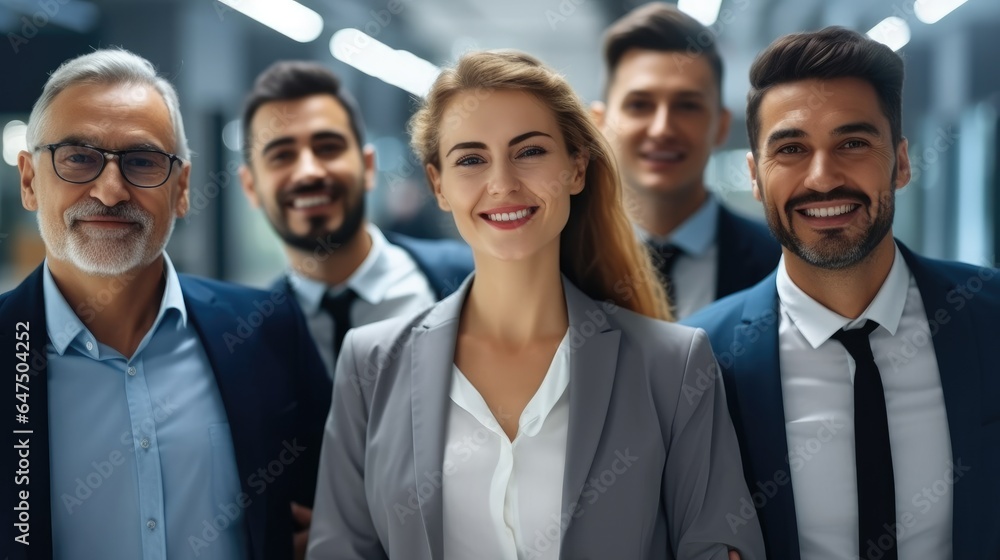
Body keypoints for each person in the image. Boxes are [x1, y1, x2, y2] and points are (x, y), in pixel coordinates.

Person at [306, 50, 765, 560]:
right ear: (439, 185)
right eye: (471, 159)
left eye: (529, 152)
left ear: (576, 168)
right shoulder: (370, 364)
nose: (502, 183)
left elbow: (716, 546)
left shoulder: (673, 367)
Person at [684, 27, 1000, 560]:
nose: (823, 178)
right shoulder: (700, 362)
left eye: (853, 143)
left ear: (900, 162)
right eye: (791, 149)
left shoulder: (991, 318)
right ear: (756, 177)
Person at [2, 49, 331, 560]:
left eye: (142, 161)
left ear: (182, 189)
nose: (110, 191)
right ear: (29, 180)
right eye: (78, 157)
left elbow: (335, 504)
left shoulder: (266, 329)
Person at [238, 61, 473, 379]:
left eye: (328, 148)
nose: (309, 171)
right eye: (282, 155)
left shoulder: (468, 280)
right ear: (251, 186)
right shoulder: (250, 336)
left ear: (368, 167)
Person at [591, 3, 780, 319]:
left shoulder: (780, 262)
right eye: (639, 105)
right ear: (599, 123)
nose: (662, 128)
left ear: (720, 125)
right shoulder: (558, 260)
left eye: (687, 105)